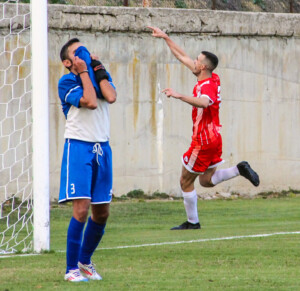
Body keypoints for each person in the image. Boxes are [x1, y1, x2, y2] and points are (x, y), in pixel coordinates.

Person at [148, 26, 259, 230]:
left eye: (197, 60)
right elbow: (182, 56)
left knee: (185, 181)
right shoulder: (210, 76)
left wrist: (178, 94)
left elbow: (204, 102)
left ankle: (193, 223)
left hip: (203, 140)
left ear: (203, 68)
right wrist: (165, 38)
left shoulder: (206, 86)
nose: (194, 61)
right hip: (215, 137)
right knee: (206, 181)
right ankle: (238, 169)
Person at [58, 38, 117, 282]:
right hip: (79, 147)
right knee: (81, 210)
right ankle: (71, 269)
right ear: (67, 61)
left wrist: (97, 69)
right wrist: (83, 71)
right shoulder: (67, 81)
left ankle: (85, 261)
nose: (82, 54)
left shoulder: (98, 74)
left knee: (102, 212)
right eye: (76, 52)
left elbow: (110, 97)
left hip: (102, 147)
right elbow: (91, 102)